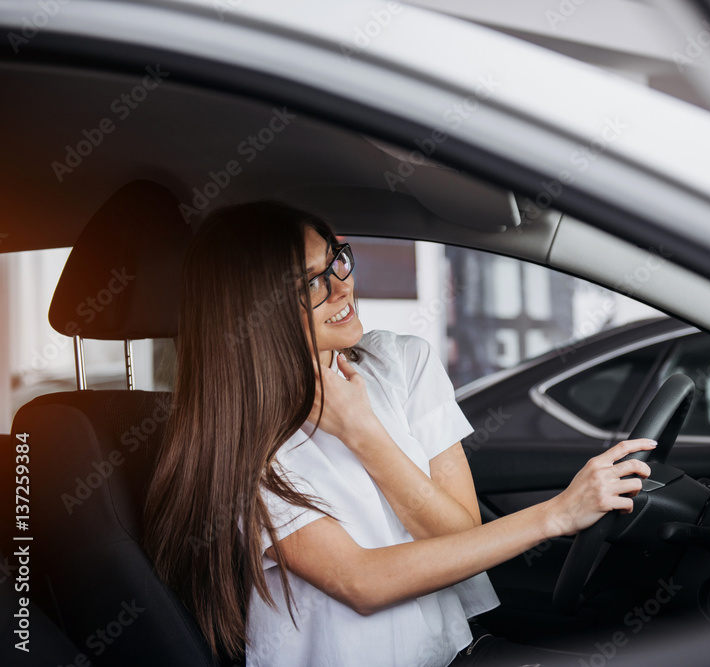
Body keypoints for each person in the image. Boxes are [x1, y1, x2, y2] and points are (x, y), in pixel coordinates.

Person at [144, 202, 655, 667]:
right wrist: (557, 514)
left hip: (452, 654)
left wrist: (366, 430)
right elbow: (359, 581)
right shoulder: (245, 444)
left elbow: (459, 541)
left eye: (337, 260)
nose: (342, 286)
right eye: (311, 284)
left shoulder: (402, 363)